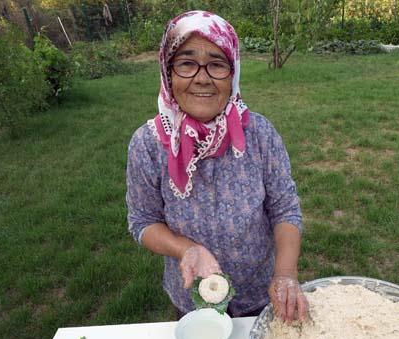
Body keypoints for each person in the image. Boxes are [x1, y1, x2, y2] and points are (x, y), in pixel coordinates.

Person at [126, 11, 307, 322]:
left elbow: (285, 210)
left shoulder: (260, 134)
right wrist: (186, 249)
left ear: (232, 73)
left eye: (217, 64)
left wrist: (286, 274)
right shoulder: (148, 144)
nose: (202, 77)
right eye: (186, 63)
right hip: (192, 298)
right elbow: (143, 222)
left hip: (261, 293)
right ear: (168, 72)